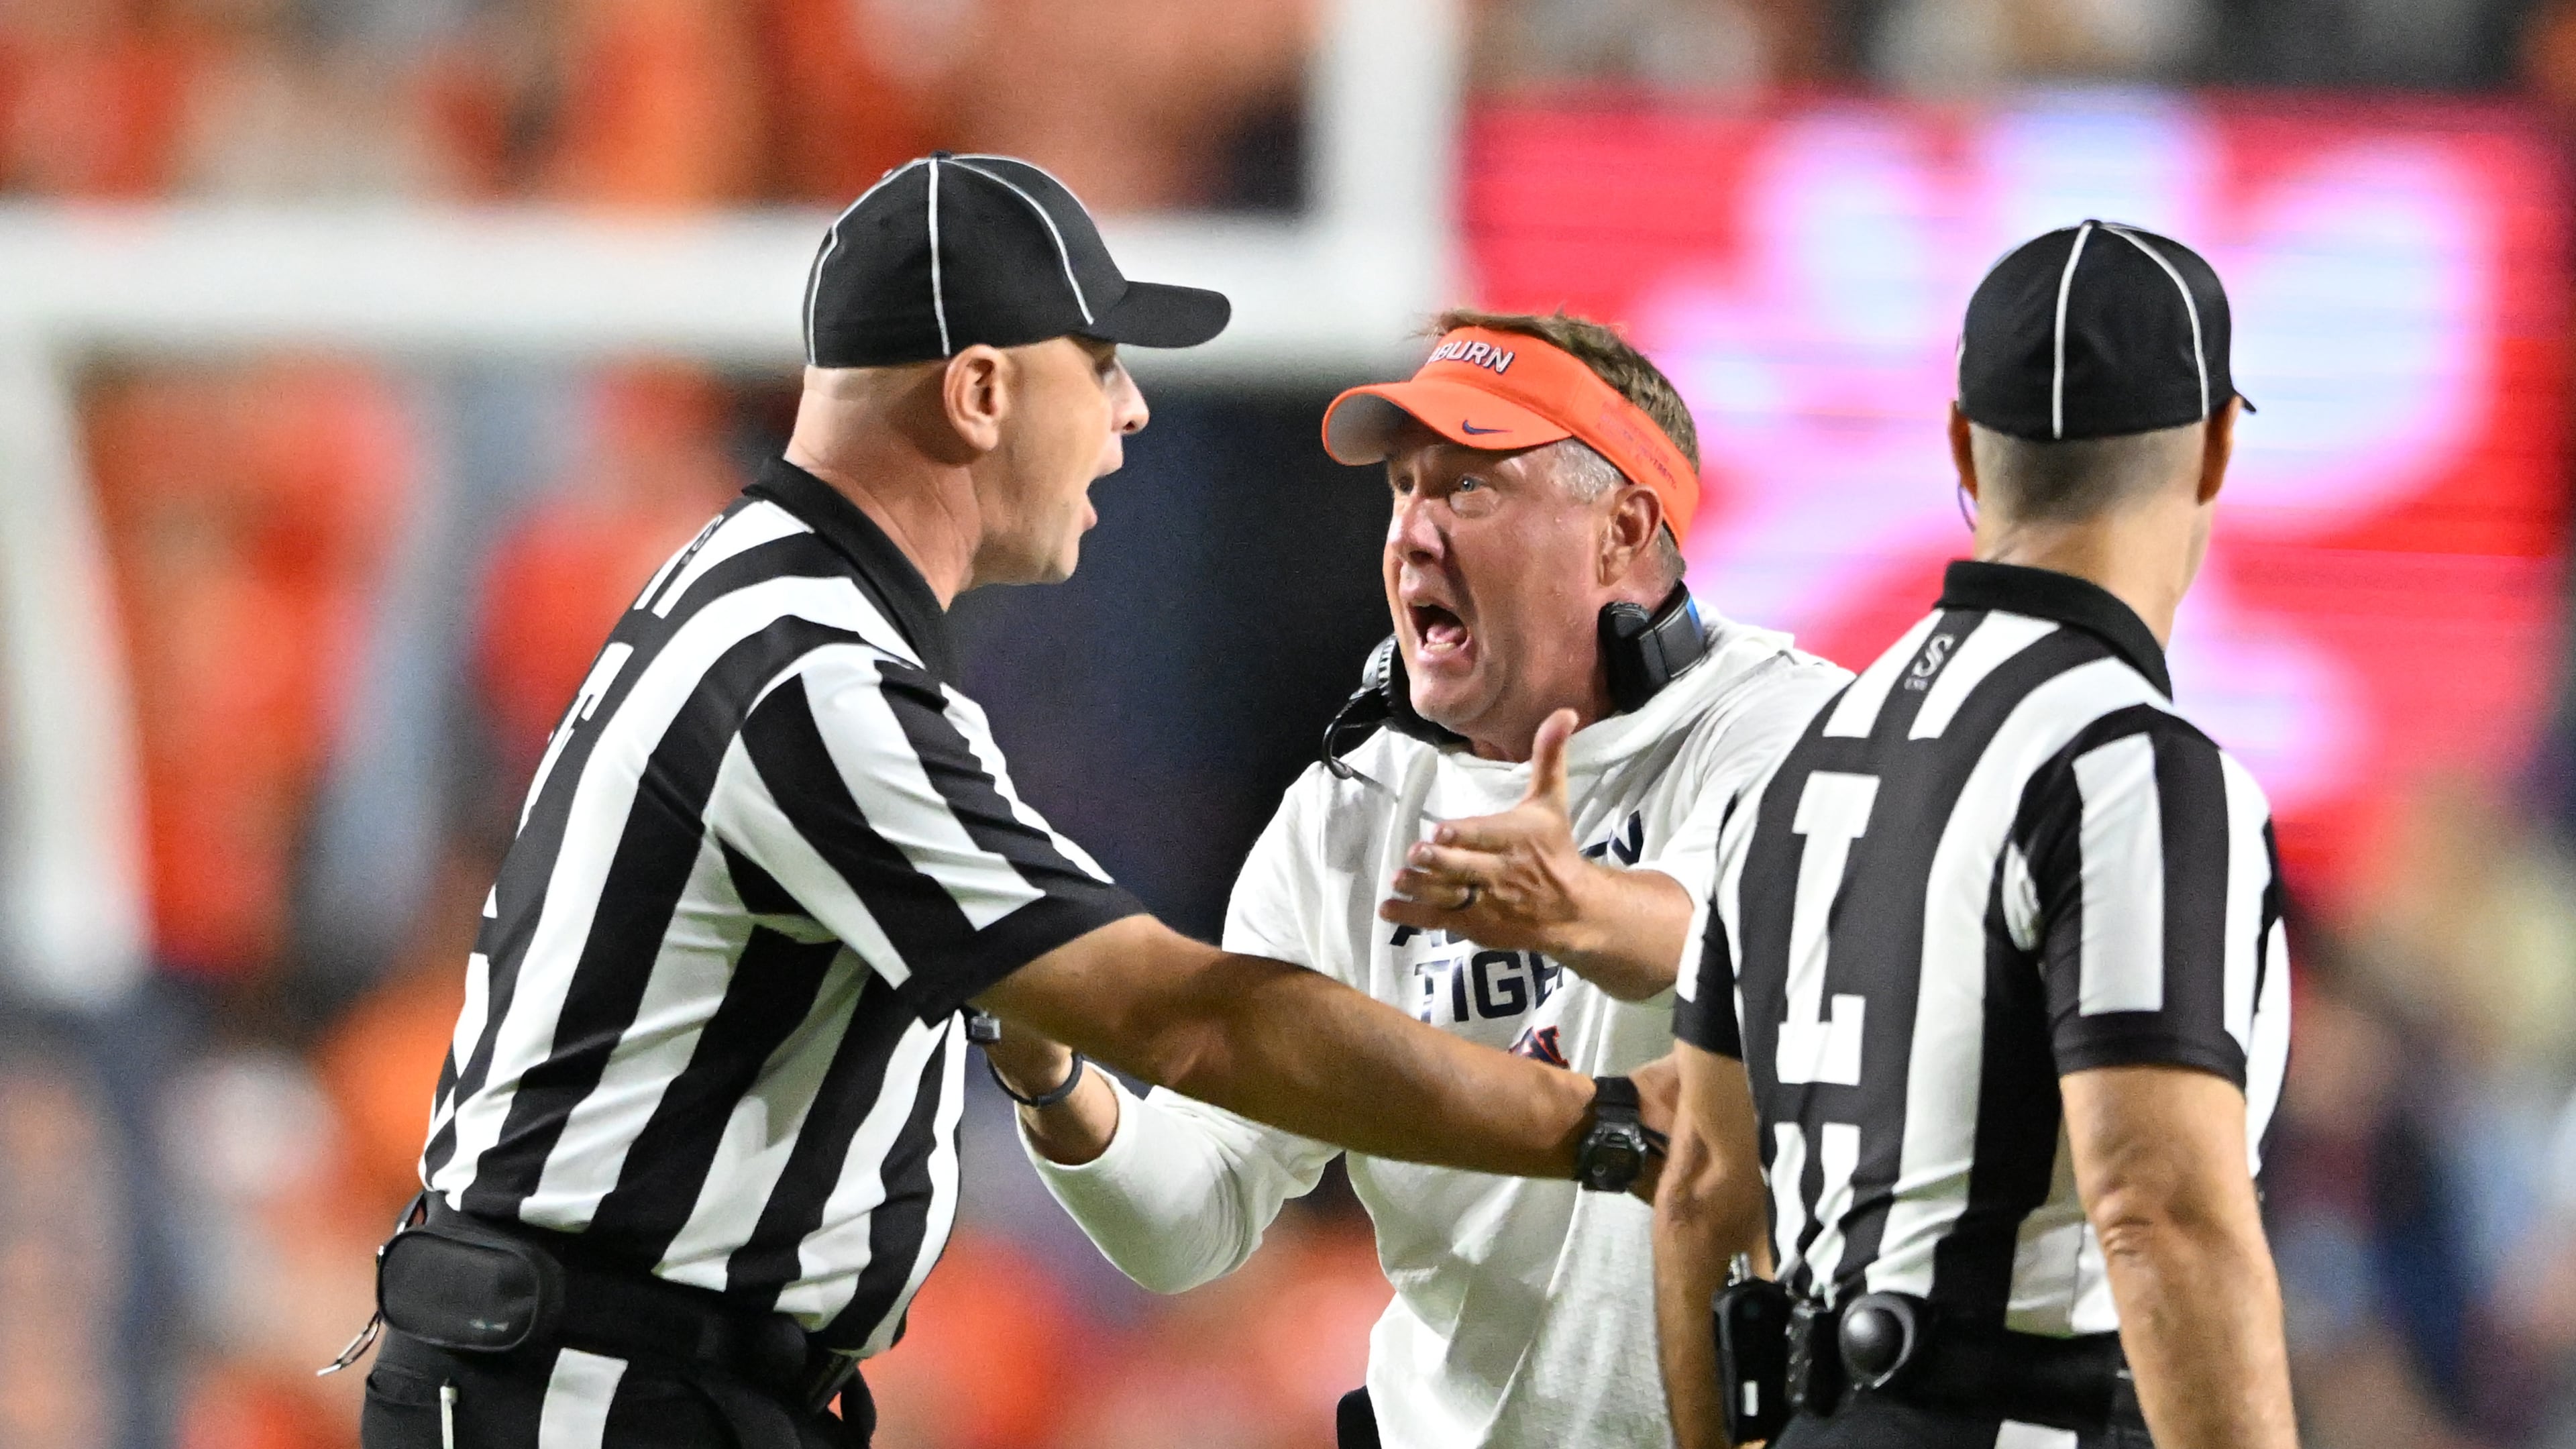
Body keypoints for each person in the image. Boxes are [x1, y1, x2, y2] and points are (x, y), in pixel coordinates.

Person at [347, 154, 1662, 1449]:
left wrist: (1046, 1062)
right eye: (1098, 367)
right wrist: (1590, 1121)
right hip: (595, 1396)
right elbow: (1180, 1019)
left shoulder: (780, 602)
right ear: (979, 392)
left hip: (640, 1384)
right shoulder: (813, 676)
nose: (1134, 410)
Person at [983, 310, 1849, 1449]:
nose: (1413, 536)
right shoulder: (1352, 807)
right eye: (1402, 489)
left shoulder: (1789, 724)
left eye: (1470, 489)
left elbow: (1726, 946)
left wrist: (1577, 907)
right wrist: (1050, 1077)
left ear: (1621, 528)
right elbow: (1192, 1219)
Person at [1654, 221, 2296, 1449]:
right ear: (2217, 447)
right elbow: (2161, 1211)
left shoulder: (1794, 760)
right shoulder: (2134, 764)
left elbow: (1698, 1189)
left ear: (1963, 446)